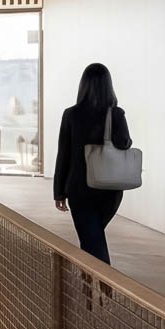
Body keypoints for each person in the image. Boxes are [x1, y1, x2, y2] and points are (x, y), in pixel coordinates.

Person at [54, 62, 133, 264]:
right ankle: (94, 288)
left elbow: (64, 154)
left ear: (83, 85)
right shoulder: (115, 114)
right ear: (109, 85)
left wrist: (59, 192)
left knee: (91, 240)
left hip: (80, 190)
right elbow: (124, 144)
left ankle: (99, 288)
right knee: (94, 238)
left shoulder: (71, 114)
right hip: (110, 190)